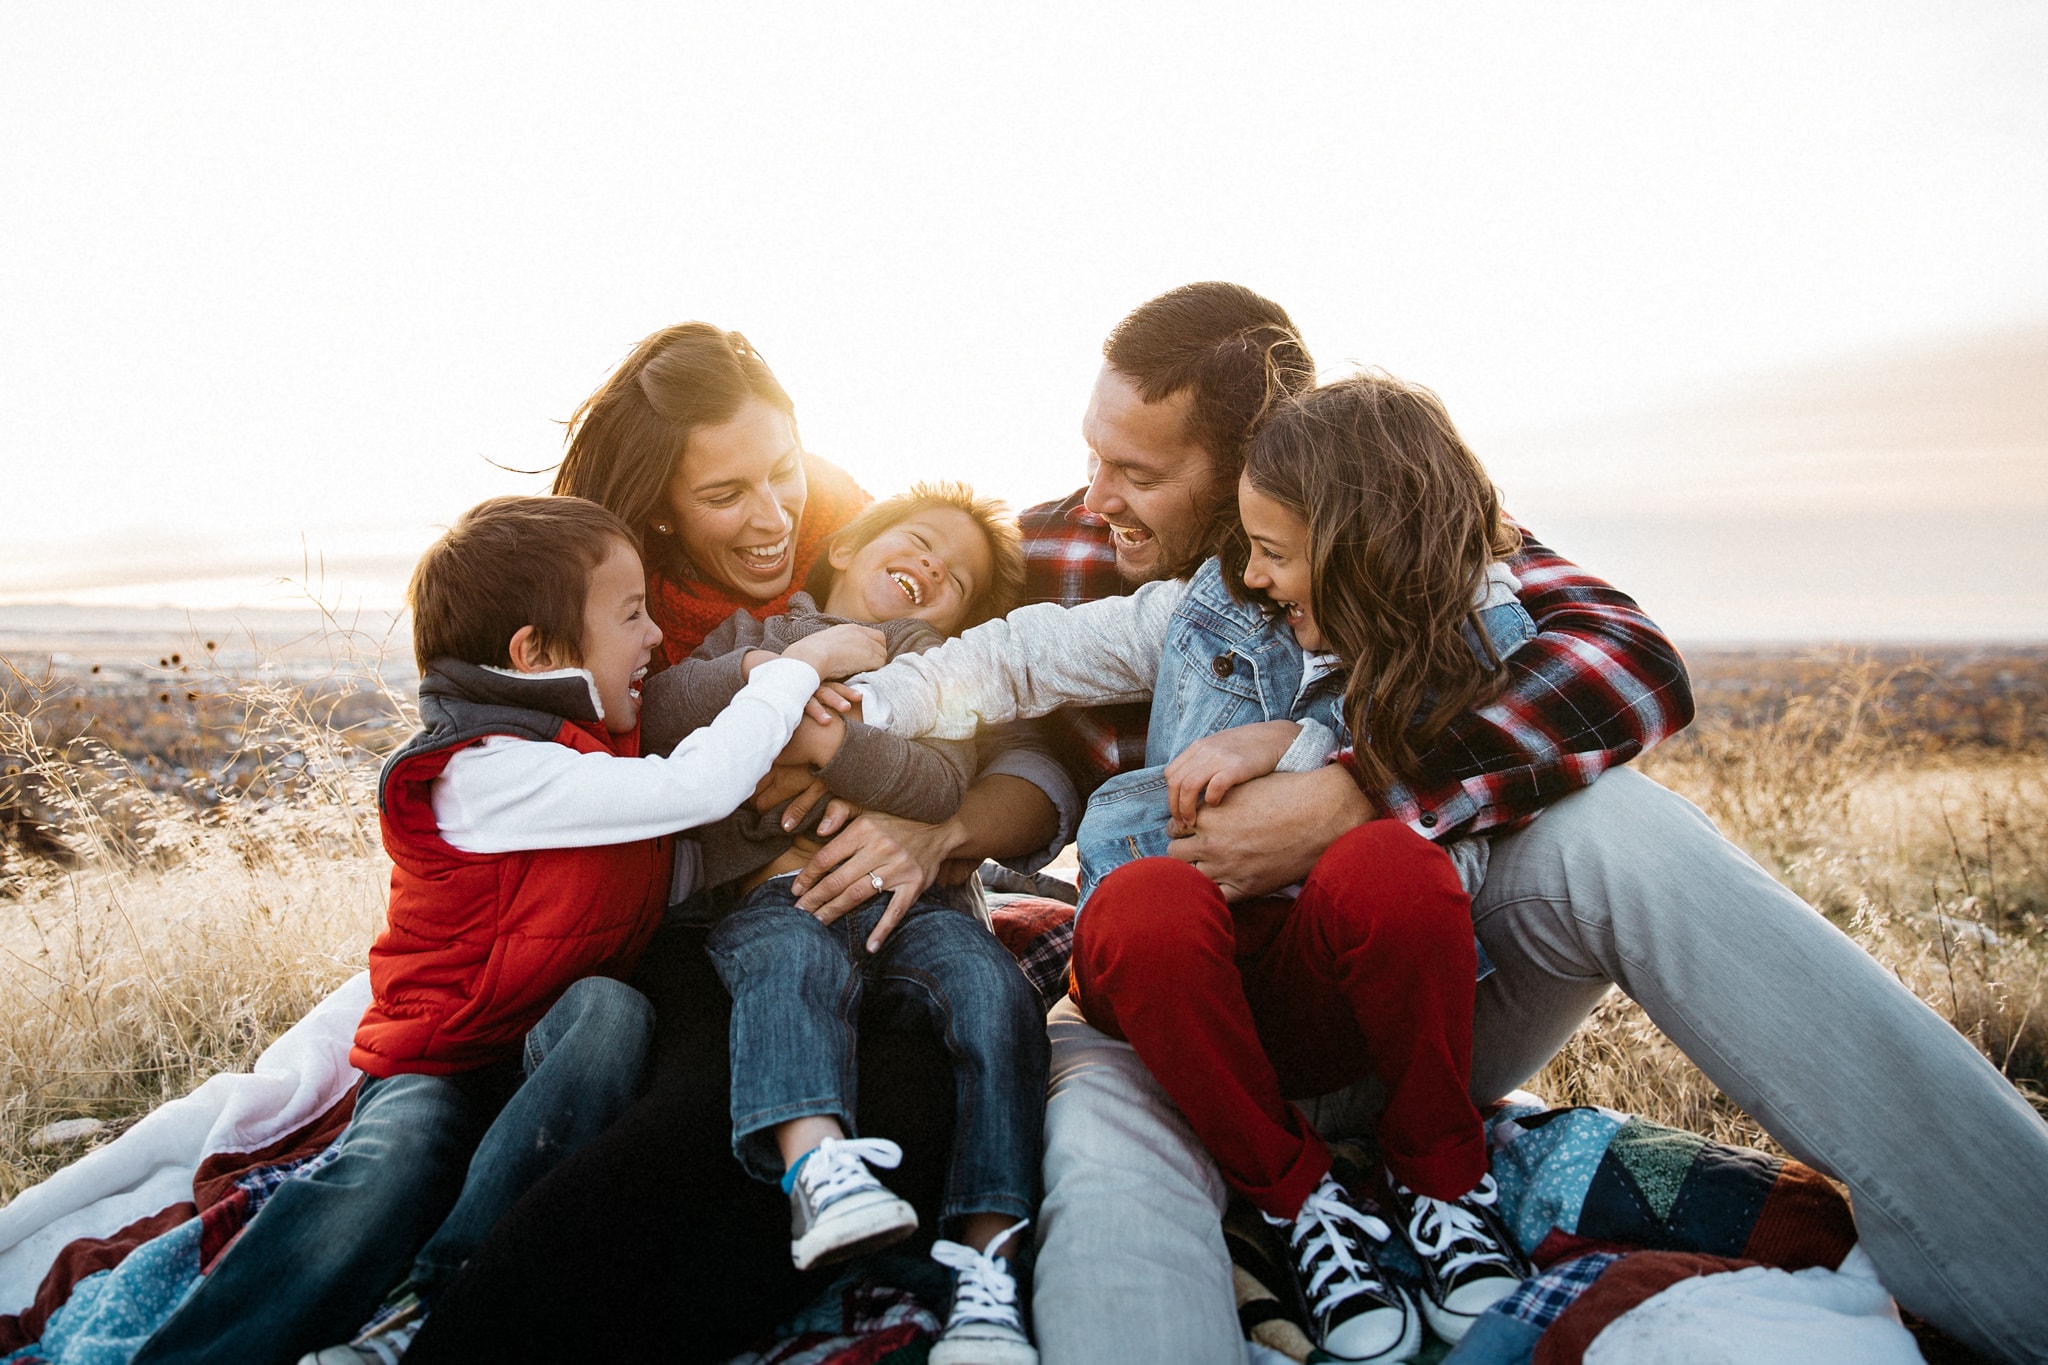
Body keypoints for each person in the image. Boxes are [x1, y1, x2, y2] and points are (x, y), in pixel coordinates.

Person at [978, 282, 2047, 1365]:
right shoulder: (1054, 553)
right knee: (1110, 1167)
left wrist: (1355, 788)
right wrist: (946, 804)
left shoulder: (1398, 528)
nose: (1088, 496)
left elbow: (1622, 664)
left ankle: (2021, 1264)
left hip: (1402, 981)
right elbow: (939, 662)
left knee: (1616, 827)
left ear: (1265, 458)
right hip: (1177, 1006)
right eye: (1092, 454)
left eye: (1137, 473)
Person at [403, 331, 1076, 1363]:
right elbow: (541, 755)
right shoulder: (598, 586)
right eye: (726, 496)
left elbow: (1028, 757)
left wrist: (932, 820)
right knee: (705, 1105)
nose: (772, 518)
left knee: (917, 1098)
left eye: (782, 473)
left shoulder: (861, 539)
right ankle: (475, 1336)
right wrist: (777, 685)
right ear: (665, 503)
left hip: (879, 911)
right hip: (679, 922)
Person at [854, 373, 1557, 1361]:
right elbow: (1029, 655)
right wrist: (873, 703)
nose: (1256, 576)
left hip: (1335, 993)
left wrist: (1300, 748)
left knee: (1391, 868)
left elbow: (1458, 872)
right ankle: (1299, 1204)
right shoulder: (1215, 608)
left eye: (1274, 553)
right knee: (1143, 900)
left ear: (1362, 555)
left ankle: (1440, 1177)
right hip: (1167, 981)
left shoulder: (1490, 640)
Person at [131, 495, 870, 1365]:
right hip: (439, 1058)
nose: (656, 641)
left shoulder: (581, 755)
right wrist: (792, 667)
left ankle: (443, 1298)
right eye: (631, 616)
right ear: (534, 653)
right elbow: (696, 789)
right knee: (387, 1172)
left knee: (608, 1011)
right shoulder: (488, 769)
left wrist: (798, 816)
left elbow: (661, 870)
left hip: (536, 1051)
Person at [671, 482, 1047, 1363]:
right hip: (781, 894)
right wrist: (766, 683)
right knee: (786, 966)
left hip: (917, 907)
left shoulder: (942, 669)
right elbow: (666, 710)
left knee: (994, 991)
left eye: (953, 576)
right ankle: (818, 1169)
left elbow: (941, 782)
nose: (928, 567)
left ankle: (988, 1265)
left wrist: (827, 746)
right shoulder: (753, 638)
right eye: (917, 542)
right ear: (846, 547)